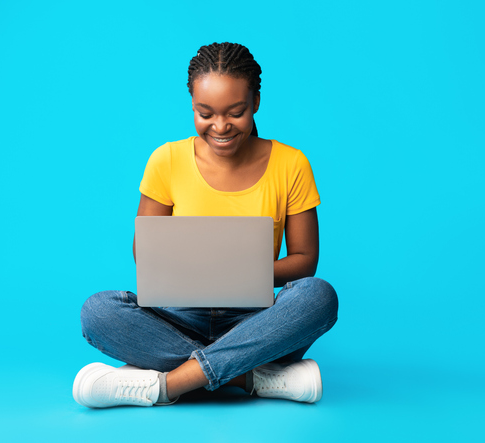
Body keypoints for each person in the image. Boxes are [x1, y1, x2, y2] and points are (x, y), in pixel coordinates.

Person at [73, 43, 338, 408]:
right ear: (192, 106)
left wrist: (238, 273)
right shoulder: (166, 160)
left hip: (255, 321)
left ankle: (168, 385)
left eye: (236, 112)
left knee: (318, 296)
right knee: (97, 311)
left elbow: (305, 260)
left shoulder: (291, 164)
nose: (221, 126)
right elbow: (145, 254)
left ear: (256, 102)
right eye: (205, 113)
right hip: (176, 316)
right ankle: (251, 376)